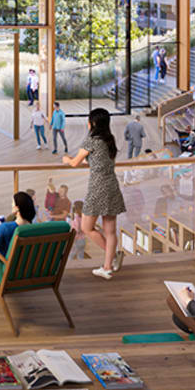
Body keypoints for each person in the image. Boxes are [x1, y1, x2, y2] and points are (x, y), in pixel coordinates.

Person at [62, 107, 126, 280]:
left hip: (97, 188)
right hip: (112, 186)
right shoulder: (109, 140)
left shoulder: (92, 140)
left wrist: (66, 159)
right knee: (110, 230)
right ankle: (108, 266)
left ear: (92, 123)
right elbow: (100, 161)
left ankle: (110, 259)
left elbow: (75, 162)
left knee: (86, 227)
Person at [0, 191, 36, 257]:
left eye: (12, 202)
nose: (11, 205)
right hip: (28, 262)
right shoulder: (35, 229)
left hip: (9, 263)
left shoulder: (5, 227)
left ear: (17, 208)